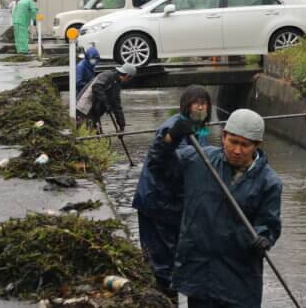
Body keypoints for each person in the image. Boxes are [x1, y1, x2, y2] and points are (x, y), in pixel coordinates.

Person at [147, 108, 282, 308]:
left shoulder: (269, 182)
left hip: (238, 277)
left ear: (257, 145)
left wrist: (264, 237)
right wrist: (169, 138)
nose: (237, 150)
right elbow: (159, 164)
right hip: (199, 272)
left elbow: (269, 224)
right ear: (224, 136)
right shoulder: (199, 159)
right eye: (233, 142)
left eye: (245, 145)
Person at [132, 86, 213, 296]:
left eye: (204, 103)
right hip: (157, 203)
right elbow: (159, 157)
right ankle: (162, 298)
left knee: (175, 257)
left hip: (174, 205)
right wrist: (172, 137)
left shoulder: (200, 128)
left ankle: (168, 294)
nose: (201, 106)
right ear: (186, 106)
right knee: (159, 261)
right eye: (197, 103)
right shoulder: (174, 127)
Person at [75, 62, 137, 132]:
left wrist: (121, 125)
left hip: (94, 110)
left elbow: (117, 106)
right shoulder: (108, 75)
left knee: (94, 132)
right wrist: (106, 103)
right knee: (83, 131)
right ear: (128, 76)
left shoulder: (116, 85)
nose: (128, 81)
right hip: (83, 107)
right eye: (130, 78)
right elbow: (96, 87)